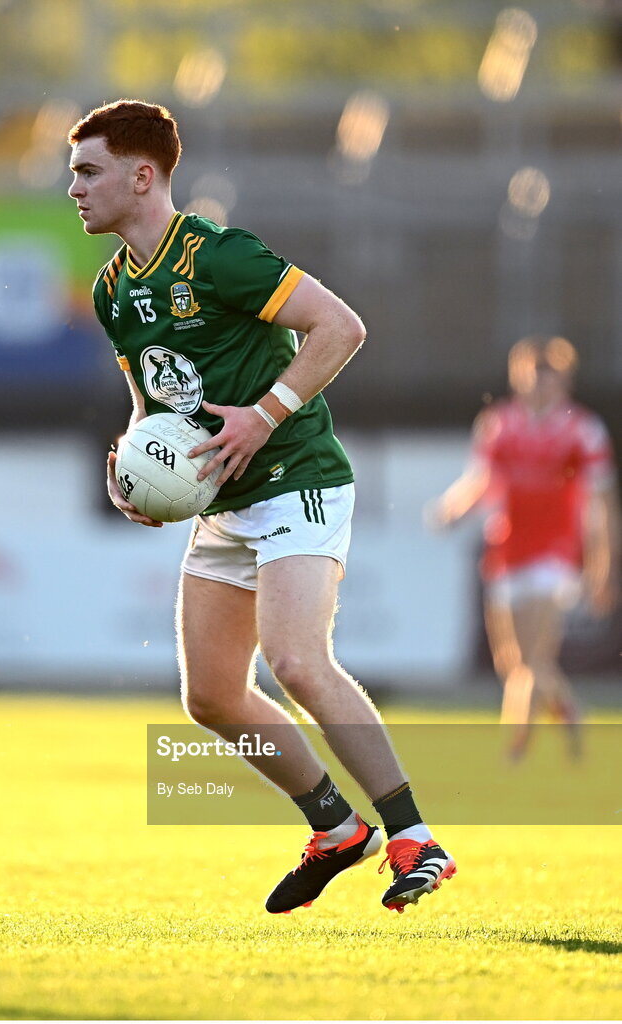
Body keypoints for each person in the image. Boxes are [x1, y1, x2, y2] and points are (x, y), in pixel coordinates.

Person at [67, 99, 456, 915]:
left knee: (296, 659)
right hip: (223, 502)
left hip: (296, 474)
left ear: (144, 176)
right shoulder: (110, 291)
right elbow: (152, 400)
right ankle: (334, 828)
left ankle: (414, 837)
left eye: (88, 171)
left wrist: (264, 413)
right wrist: (137, 467)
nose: (74, 188)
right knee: (208, 695)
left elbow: (340, 327)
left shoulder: (217, 255)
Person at [428, 336, 620, 759]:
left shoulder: (582, 430)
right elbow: (482, 482)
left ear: (564, 382)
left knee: (535, 656)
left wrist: (604, 567)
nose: (539, 388)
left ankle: (516, 748)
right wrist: (452, 508)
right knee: (511, 662)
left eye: (548, 380)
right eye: (532, 378)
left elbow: (604, 504)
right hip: (507, 548)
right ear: (518, 377)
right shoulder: (498, 423)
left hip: (555, 552)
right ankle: (568, 709)